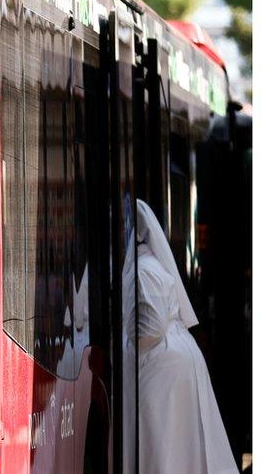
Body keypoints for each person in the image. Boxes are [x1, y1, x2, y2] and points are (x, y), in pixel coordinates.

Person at [132, 200, 237, 474]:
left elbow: (151, 327)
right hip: (171, 362)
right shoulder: (148, 264)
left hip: (162, 367)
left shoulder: (143, 268)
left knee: (163, 446)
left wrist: (126, 343)